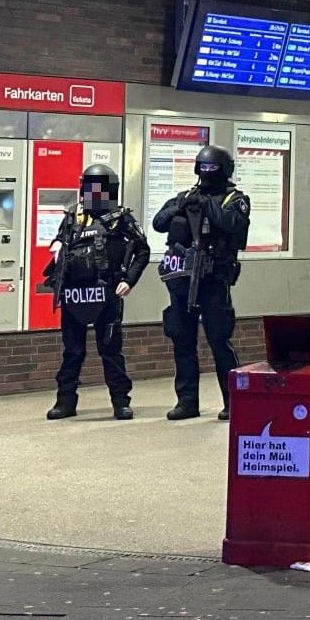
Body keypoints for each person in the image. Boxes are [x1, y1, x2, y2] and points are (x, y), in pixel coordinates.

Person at [153, 145, 252, 422]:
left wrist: (207, 205)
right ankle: (187, 401)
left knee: (219, 341)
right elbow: (158, 223)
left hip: (214, 281)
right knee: (182, 341)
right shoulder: (187, 196)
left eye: (212, 169)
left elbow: (231, 223)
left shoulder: (236, 199)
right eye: (203, 169)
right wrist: (180, 205)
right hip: (184, 280)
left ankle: (233, 402)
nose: (207, 174)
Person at [43, 164, 149, 421]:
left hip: (107, 293)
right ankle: (65, 401)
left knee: (110, 350)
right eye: (89, 188)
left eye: (98, 189)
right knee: (73, 351)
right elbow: (59, 243)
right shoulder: (72, 219)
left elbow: (142, 250)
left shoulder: (121, 218)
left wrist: (129, 280)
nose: (93, 194)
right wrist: (57, 245)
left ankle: (120, 402)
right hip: (74, 294)